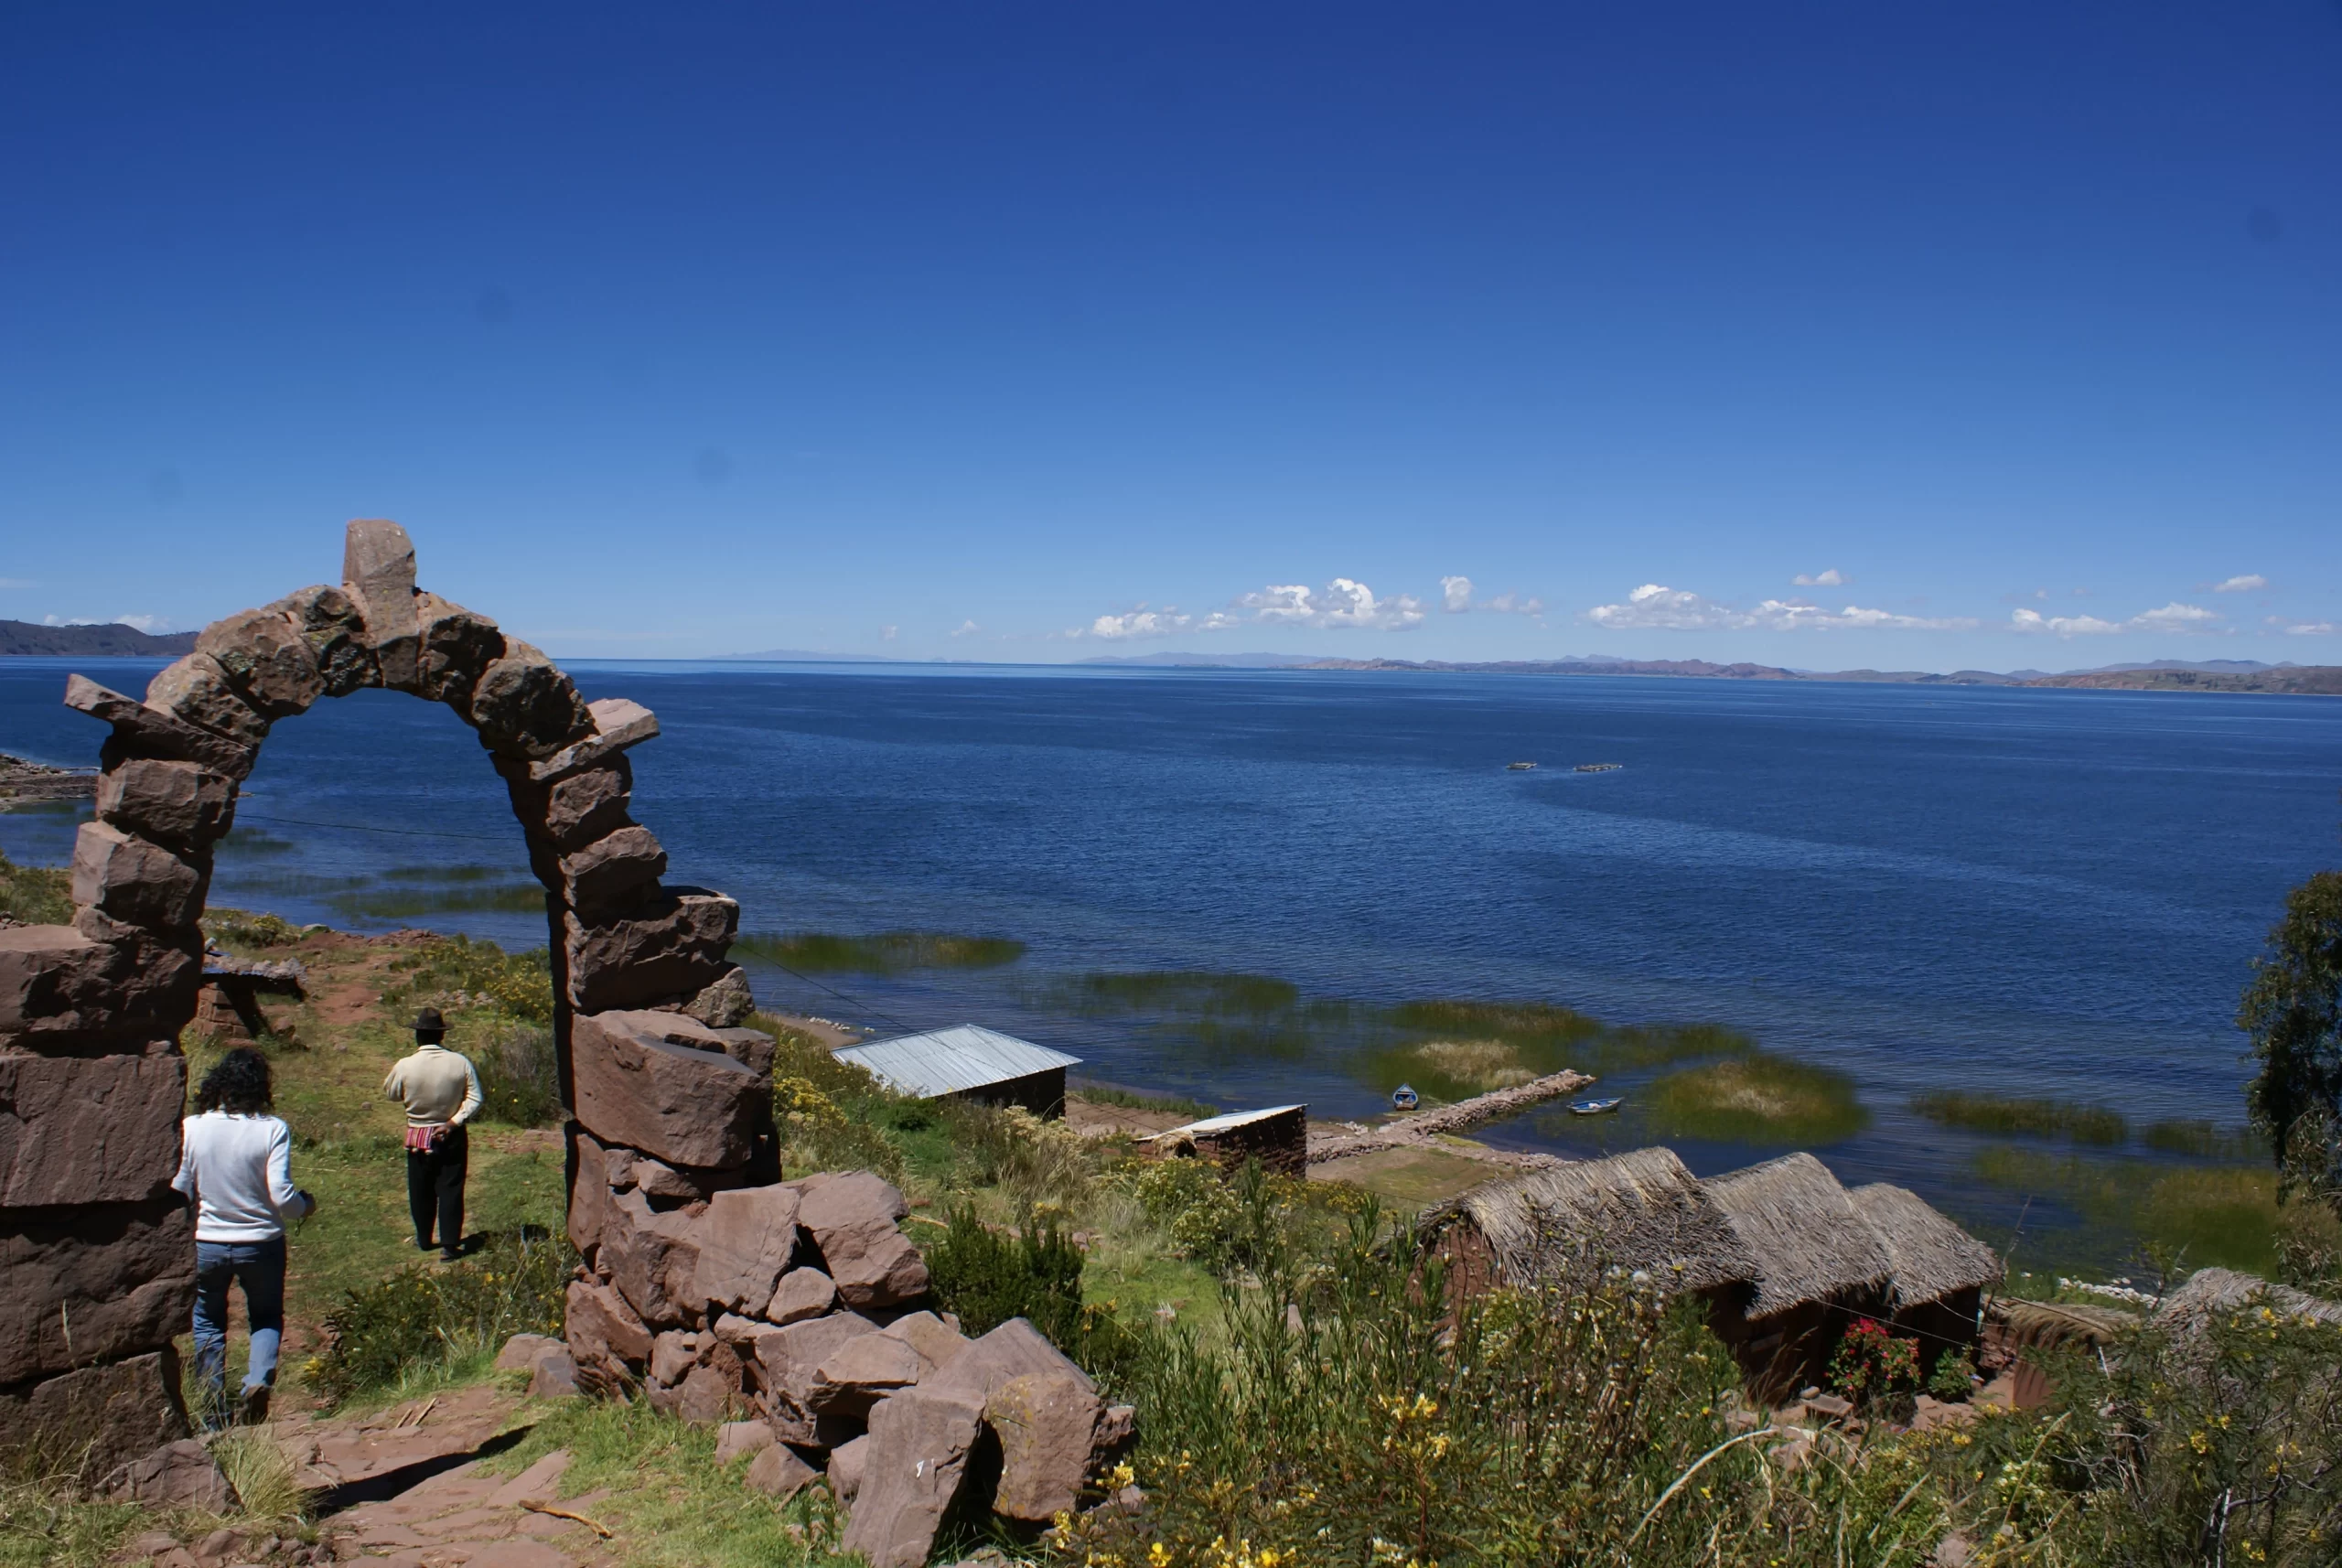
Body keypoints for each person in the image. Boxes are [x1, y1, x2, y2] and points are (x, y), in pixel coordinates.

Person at [173, 1047, 317, 1429]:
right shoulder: (271, 1129)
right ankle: (257, 1382)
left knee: (206, 1322)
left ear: (219, 1083)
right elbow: (282, 1196)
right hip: (262, 1242)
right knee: (266, 1315)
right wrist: (306, 1205)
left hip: (208, 1241)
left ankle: (212, 1410)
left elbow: (182, 1189)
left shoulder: (193, 1127)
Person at [382, 1007, 483, 1262]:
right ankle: (450, 1243)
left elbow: (391, 1093)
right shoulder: (460, 1062)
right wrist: (453, 1121)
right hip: (451, 1132)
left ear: (418, 1036)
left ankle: (425, 1238)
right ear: (441, 1036)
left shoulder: (405, 1065)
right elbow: (475, 1098)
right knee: (450, 1187)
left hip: (418, 1134)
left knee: (420, 1188)